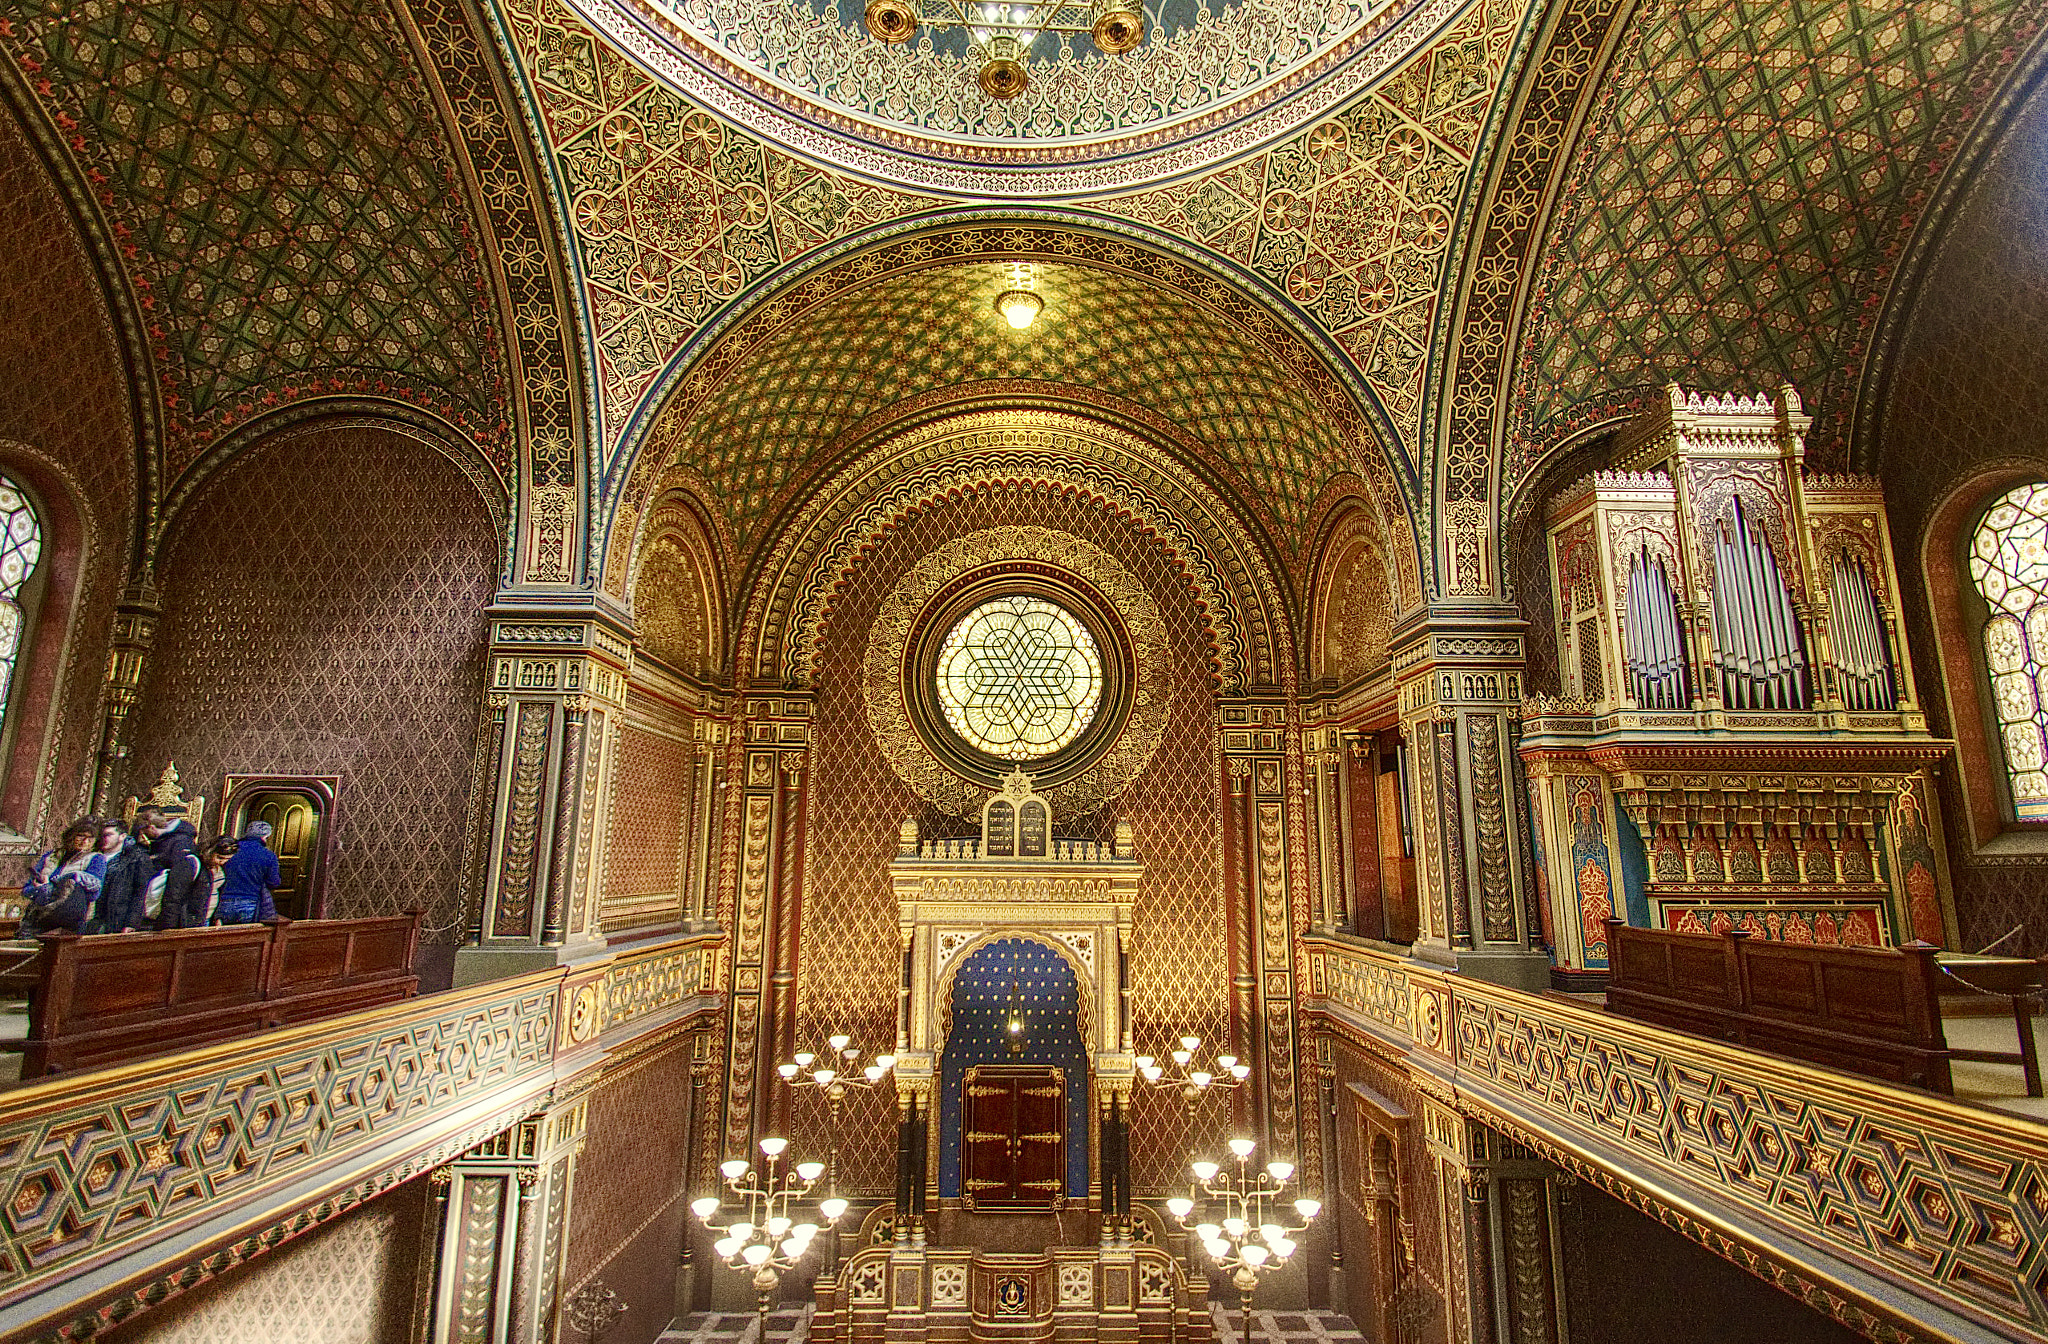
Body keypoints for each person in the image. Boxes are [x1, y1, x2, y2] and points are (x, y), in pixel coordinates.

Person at [20, 818, 106, 936]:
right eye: (81, 836)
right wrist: (41, 889)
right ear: (72, 835)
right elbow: (26, 890)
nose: (85, 842)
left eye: (91, 838)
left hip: (67, 923)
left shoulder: (96, 859)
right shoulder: (51, 856)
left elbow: (94, 892)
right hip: (37, 917)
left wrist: (70, 879)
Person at [139, 806, 202, 930]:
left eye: (144, 831)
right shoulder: (164, 840)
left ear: (151, 827)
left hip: (165, 901)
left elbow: (177, 882)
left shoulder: (180, 842)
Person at [89, 817, 155, 934]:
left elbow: (141, 892)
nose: (104, 839)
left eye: (108, 835)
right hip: (89, 915)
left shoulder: (136, 858)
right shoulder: (92, 856)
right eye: (102, 835)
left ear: (122, 836)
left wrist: (131, 922)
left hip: (115, 918)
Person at [217, 820, 282, 924]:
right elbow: (274, 882)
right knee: (245, 937)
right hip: (250, 901)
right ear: (265, 836)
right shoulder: (268, 855)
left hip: (224, 900)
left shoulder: (230, 849)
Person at [193, 837, 238, 925]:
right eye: (219, 857)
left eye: (227, 859)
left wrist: (218, 916)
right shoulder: (198, 865)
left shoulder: (223, 868)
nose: (222, 861)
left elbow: (220, 892)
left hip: (209, 915)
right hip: (196, 916)